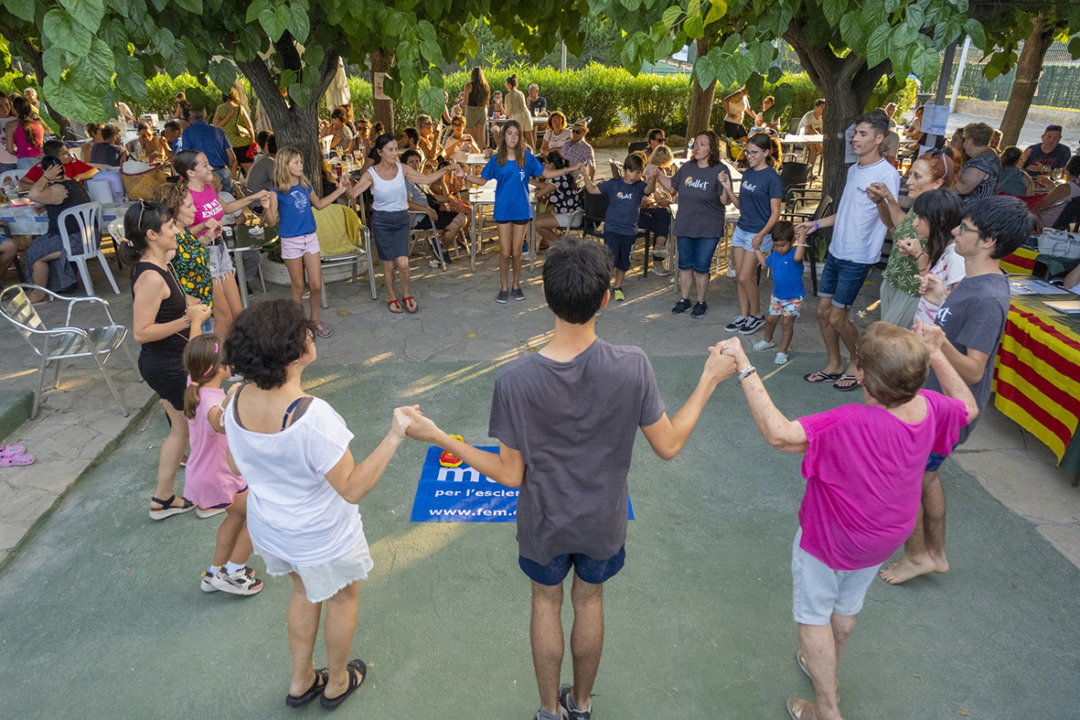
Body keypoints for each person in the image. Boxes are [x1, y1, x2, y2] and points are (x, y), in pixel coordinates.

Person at [403, 238, 739, 720]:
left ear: (546, 295)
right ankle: (580, 706)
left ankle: (547, 711)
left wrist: (440, 436)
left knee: (545, 601)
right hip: (603, 521)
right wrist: (708, 378)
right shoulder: (633, 365)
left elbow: (509, 474)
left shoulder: (515, 381)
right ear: (605, 298)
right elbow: (668, 445)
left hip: (544, 523)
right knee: (590, 599)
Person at [720, 321, 976, 720]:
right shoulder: (930, 405)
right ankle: (828, 673)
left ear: (863, 378)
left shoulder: (851, 420)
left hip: (831, 539)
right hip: (886, 536)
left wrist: (743, 364)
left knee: (813, 618)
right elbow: (969, 406)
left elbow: (780, 434)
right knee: (845, 608)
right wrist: (938, 350)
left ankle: (827, 709)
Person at [223, 299, 419, 711]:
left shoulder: (235, 397)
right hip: (320, 533)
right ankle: (337, 681)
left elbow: (232, 462)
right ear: (295, 350)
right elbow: (350, 488)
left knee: (302, 591)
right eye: (306, 330)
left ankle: (301, 679)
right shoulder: (313, 416)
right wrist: (395, 435)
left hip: (271, 527)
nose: (312, 334)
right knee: (342, 597)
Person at [881, 196, 1035, 586]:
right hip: (937, 406)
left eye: (964, 228)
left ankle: (917, 555)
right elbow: (963, 331)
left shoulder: (987, 296)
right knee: (927, 478)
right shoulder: (976, 284)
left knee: (911, 480)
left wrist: (938, 345)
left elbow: (973, 369)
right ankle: (935, 555)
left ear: (988, 240)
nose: (954, 231)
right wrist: (940, 300)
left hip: (944, 412)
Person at [121, 200, 212, 520]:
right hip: (169, 367)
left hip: (169, 363)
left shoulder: (162, 264)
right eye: (170, 226)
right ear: (151, 234)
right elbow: (141, 332)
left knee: (181, 431)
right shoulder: (150, 277)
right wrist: (190, 319)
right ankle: (209, 498)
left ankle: (162, 500)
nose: (177, 230)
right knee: (207, 428)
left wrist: (189, 305)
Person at [797, 110, 898, 391]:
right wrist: (815, 224)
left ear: (879, 138)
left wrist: (881, 201)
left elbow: (891, 222)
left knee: (837, 316)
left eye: (863, 134)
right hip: (837, 251)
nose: (855, 138)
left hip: (859, 255)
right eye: (855, 132)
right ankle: (834, 364)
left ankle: (859, 364)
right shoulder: (854, 169)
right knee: (822, 311)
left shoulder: (887, 174)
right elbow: (845, 212)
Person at [461, 120, 580, 304]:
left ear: (520, 137)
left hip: (522, 210)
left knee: (517, 252)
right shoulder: (496, 159)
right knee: (504, 252)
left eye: (516, 134)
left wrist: (569, 169)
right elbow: (483, 180)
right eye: (509, 133)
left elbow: (546, 175)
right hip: (502, 211)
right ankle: (503, 288)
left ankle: (516, 285)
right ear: (503, 136)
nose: (513, 137)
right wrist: (466, 176)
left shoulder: (526, 157)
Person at [181, 335, 264, 596]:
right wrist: (233, 398)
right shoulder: (211, 401)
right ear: (217, 368)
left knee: (237, 516)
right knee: (262, 513)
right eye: (228, 360)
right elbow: (220, 422)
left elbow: (194, 345)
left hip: (208, 475)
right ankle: (233, 573)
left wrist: (196, 320)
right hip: (219, 477)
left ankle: (215, 571)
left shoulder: (194, 383)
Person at [346, 133, 460, 314]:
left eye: (395, 149)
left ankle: (406, 295)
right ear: (380, 152)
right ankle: (392, 297)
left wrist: (447, 169)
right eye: (390, 150)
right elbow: (353, 195)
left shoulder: (402, 169)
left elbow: (426, 179)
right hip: (382, 222)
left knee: (403, 263)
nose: (394, 153)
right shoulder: (371, 174)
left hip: (401, 219)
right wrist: (345, 186)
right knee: (389, 264)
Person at [175, 149, 269, 337]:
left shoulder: (208, 189)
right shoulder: (184, 197)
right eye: (205, 165)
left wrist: (254, 197)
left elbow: (225, 208)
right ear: (191, 173)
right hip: (203, 256)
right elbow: (179, 236)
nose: (211, 168)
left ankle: (233, 355)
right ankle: (217, 359)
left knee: (237, 313)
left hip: (220, 249)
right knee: (224, 318)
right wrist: (203, 225)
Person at [261, 146, 350, 338]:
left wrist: (340, 190)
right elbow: (271, 222)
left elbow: (319, 205)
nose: (301, 165)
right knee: (298, 286)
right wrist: (268, 208)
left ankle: (314, 320)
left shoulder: (305, 185)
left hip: (310, 238)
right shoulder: (276, 191)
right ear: (285, 165)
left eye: (300, 161)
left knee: (317, 285)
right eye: (296, 162)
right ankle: (296, 325)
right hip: (291, 241)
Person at [867, 150, 956, 329]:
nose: (908, 181)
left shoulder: (938, 213)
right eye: (910, 175)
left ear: (938, 182)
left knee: (889, 343)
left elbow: (939, 262)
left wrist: (917, 255)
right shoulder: (921, 205)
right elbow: (900, 227)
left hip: (912, 290)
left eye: (917, 176)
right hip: (895, 281)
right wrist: (885, 200)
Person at [653, 130, 733, 319]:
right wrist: (657, 174)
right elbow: (672, 185)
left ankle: (701, 302)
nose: (697, 148)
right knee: (685, 265)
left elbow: (725, 201)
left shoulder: (720, 170)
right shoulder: (687, 167)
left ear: (712, 149)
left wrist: (726, 186)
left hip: (708, 228)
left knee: (702, 266)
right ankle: (684, 299)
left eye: (702, 144)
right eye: (695, 144)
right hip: (685, 225)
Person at [718, 132, 782, 334]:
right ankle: (744, 315)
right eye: (747, 152)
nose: (749, 156)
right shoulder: (747, 173)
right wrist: (728, 188)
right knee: (739, 276)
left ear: (766, 152)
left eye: (754, 152)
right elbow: (740, 206)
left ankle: (756, 315)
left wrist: (762, 234)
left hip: (759, 233)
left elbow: (775, 213)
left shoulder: (772, 177)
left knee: (747, 277)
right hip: (742, 229)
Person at [582, 153, 656, 302]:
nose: (634, 176)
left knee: (623, 262)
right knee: (609, 260)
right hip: (612, 229)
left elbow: (649, 190)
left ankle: (618, 287)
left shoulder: (640, 186)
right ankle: (603, 288)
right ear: (624, 169)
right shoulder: (613, 184)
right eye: (631, 172)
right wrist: (585, 176)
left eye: (637, 173)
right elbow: (592, 190)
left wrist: (653, 178)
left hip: (629, 231)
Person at [21, 156, 94, 301]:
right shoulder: (73, 183)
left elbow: (33, 194)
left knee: (34, 252)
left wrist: (45, 177)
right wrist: (46, 204)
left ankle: (39, 293)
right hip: (89, 237)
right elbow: (65, 202)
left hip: (74, 240)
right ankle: (60, 285)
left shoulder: (57, 188)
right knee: (39, 245)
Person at [153, 181, 214, 323]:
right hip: (185, 314)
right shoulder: (168, 239)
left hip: (202, 308)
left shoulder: (182, 229)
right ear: (173, 210)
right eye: (188, 206)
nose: (195, 209)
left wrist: (206, 238)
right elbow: (159, 276)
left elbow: (187, 253)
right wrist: (185, 298)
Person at [750, 221, 804, 365]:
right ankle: (768, 340)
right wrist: (757, 249)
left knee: (787, 324)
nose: (779, 249)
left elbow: (798, 257)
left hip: (793, 298)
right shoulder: (775, 254)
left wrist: (802, 237)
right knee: (770, 320)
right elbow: (765, 263)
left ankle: (783, 350)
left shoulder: (795, 253)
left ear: (792, 241)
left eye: (783, 245)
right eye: (776, 245)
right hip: (777, 296)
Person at [400, 150, 467, 264]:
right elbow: (408, 203)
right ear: (404, 165)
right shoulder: (406, 182)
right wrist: (425, 209)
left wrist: (448, 199)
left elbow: (432, 197)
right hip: (420, 217)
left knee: (462, 218)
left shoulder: (420, 180)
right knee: (454, 224)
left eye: (417, 161)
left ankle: (440, 242)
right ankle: (443, 249)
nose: (415, 164)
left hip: (432, 213)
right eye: (411, 162)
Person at [910, 189, 966, 326]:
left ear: (940, 221)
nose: (914, 223)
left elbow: (961, 305)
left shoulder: (955, 256)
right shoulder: (941, 250)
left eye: (920, 217)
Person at [532, 151, 581, 250]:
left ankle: (563, 247)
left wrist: (535, 189)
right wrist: (529, 181)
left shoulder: (557, 179)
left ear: (552, 165)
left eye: (545, 162)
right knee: (535, 219)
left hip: (570, 216)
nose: (544, 165)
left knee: (536, 224)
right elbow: (546, 186)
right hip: (566, 212)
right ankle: (554, 246)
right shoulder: (560, 176)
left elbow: (538, 195)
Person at [182, 106, 236, 194]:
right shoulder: (219, 131)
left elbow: (186, 158)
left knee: (209, 205)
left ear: (190, 119)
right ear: (206, 118)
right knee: (228, 203)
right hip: (223, 172)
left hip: (203, 174)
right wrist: (225, 169)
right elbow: (232, 157)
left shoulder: (187, 133)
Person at [641, 143, 675, 275]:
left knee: (663, 216)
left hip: (650, 207)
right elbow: (658, 196)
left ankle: (659, 250)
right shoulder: (657, 171)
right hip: (647, 208)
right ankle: (659, 254)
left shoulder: (649, 167)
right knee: (666, 216)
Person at [954, 122, 1000, 208]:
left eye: (964, 139)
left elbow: (963, 188)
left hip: (972, 211)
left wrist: (947, 173)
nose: (963, 144)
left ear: (970, 141)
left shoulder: (982, 161)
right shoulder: (990, 154)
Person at [19, 139, 97, 190]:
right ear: (55, 158)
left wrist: (78, 177)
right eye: (65, 153)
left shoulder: (72, 162)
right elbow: (22, 183)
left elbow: (95, 171)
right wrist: (41, 186)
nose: (69, 155)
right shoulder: (41, 167)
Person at [212, 88, 256, 175]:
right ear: (235, 96)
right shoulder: (240, 109)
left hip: (228, 144)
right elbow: (249, 126)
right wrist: (252, 140)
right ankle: (253, 188)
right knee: (248, 169)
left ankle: (234, 188)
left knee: (232, 169)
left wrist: (226, 118)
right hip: (243, 142)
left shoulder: (220, 108)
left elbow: (216, 125)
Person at [1035, 154, 1080, 229]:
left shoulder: (1064, 188)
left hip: (1045, 223)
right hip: (1063, 224)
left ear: (1065, 168)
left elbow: (1039, 205)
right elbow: (1062, 196)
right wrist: (1050, 184)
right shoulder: (1073, 187)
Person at [8, 95, 43, 170]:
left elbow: (10, 149)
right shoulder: (38, 124)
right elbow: (40, 144)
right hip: (41, 158)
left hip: (24, 160)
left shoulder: (11, 125)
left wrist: (21, 152)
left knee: (28, 181)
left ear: (14, 108)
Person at [504, 74, 534, 149]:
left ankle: (520, 157)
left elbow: (508, 112)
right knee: (529, 138)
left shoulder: (508, 96)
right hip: (527, 115)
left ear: (508, 84)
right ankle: (532, 157)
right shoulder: (520, 93)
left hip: (518, 117)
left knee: (519, 139)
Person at [464, 67, 491, 150]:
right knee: (480, 137)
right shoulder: (486, 86)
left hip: (471, 112)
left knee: (470, 137)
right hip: (483, 111)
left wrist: (459, 103)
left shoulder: (468, 85)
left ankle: (473, 158)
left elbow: (465, 102)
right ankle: (480, 158)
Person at [0, 93, 20, 173]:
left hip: (21, 161)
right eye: (0, 105)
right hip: (4, 163)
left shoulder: (17, 120)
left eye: (7, 104)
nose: (4, 108)